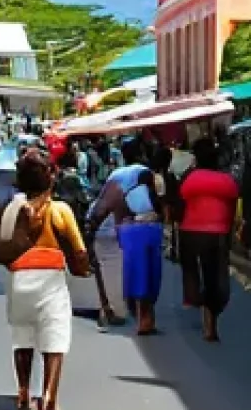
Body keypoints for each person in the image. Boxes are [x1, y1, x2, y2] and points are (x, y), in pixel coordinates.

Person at [0, 150, 88, 410]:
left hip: (19, 279)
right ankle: (49, 399)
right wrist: (82, 269)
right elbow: (79, 251)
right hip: (50, 279)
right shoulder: (59, 210)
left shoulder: (9, 209)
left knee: (22, 335)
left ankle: (23, 392)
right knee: (55, 337)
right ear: (50, 179)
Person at [87, 138, 163, 335]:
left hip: (127, 229)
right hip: (151, 227)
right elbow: (158, 202)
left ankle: (140, 315)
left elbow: (104, 206)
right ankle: (146, 317)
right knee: (151, 272)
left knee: (136, 271)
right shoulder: (148, 173)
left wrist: (91, 228)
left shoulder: (116, 176)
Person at [178, 138, 239, 342]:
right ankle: (210, 321)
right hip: (218, 235)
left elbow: (181, 203)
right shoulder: (227, 182)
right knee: (216, 280)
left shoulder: (190, 178)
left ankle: (199, 304)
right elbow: (232, 212)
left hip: (191, 233)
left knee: (194, 275)